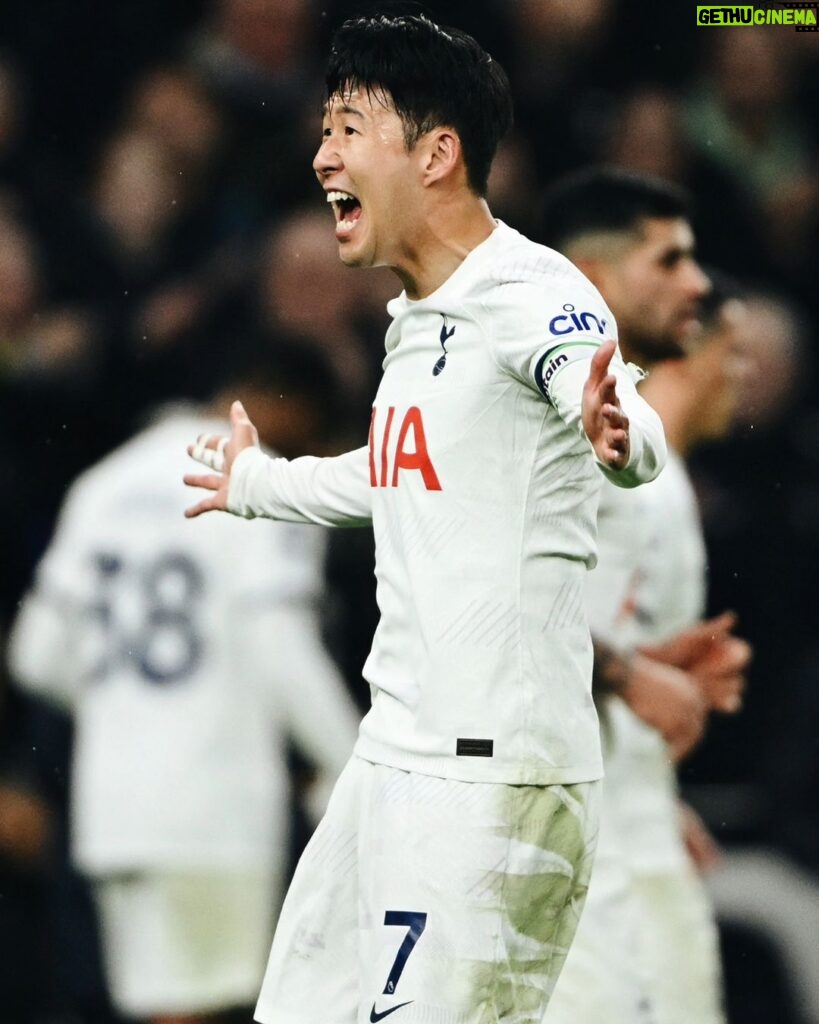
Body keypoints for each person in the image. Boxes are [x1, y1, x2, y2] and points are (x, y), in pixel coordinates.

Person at [184, 14, 667, 1024]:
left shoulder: (532, 292)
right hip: (393, 755)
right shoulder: (420, 318)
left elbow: (614, 403)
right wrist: (255, 485)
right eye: (324, 130)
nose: (322, 155)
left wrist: (620, 436)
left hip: (491, 779)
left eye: (350, 128)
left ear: (436, 152)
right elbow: (399, 476)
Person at [7, 340, 362, 1024]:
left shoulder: (103, 483)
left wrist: (125, 704)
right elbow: (279, 644)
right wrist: (350, 763)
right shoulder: (256, 479)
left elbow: (36, 655)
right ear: (291, 408)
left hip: (111, 809)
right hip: (213, 804)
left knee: (155, 1006)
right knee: (211, 1006)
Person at [538, 169, 752, 1024]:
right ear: (594, 276)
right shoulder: (566, 429)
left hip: (610, 814)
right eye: (668, 262)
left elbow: (580, 618)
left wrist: (651, 683)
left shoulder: (641, 458)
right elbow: (509, 602)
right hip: (549, 824)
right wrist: (632, 679)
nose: (693, 286)